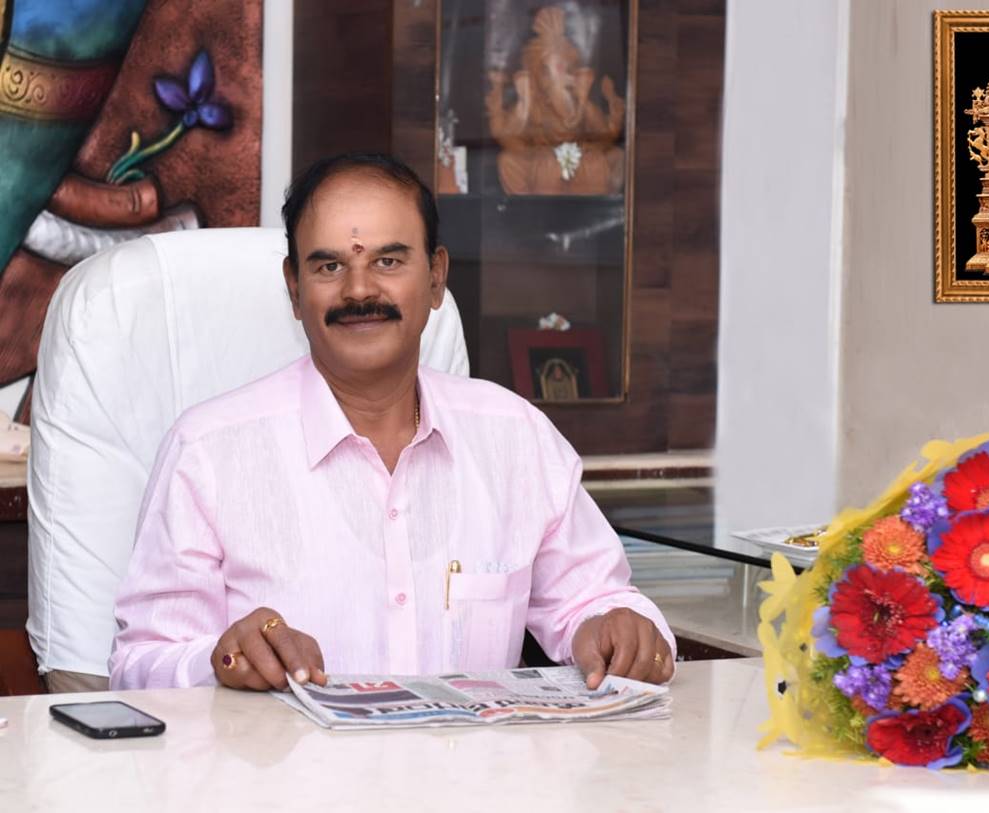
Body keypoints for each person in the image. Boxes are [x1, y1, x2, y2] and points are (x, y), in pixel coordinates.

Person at [109, 152, 674, 691]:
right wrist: (220, 661)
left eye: (388, 261)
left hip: (472, 762)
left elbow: (595, 600)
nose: (359, 290)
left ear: (435, 277)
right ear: (294, 288)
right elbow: (138, 666)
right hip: (286, 762)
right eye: (330, 266)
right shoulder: (207, 453)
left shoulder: (514, 438)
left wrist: (615, 629)